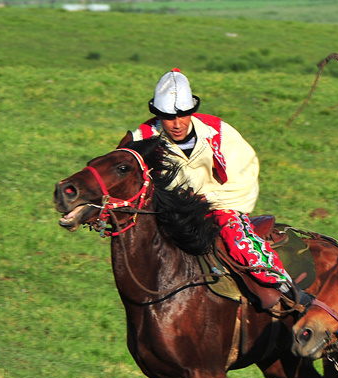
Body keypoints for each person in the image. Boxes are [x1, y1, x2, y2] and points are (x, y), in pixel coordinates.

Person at [118, 68, 311, 308]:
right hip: (168, 215)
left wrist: (208, 200)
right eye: (168, 117)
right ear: (158, 114)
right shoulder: (143, 138)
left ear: (192, 111)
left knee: (239, 239)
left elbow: (245, 173)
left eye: (183, 115)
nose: (177, 124)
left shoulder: (218, 132)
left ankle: (286, 289)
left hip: (220, 206)